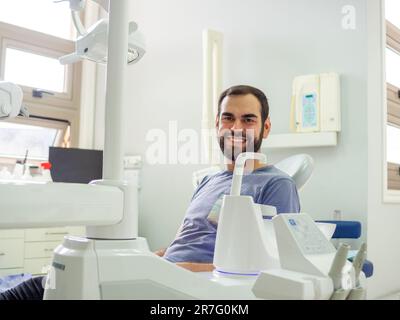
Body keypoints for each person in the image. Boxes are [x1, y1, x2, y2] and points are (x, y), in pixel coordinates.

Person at [0, 85, 300, 300]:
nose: (236, 127)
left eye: (248, 119)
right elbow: (189, 239)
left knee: (71, 283)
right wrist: (153, 257)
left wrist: (182, 269)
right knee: (55, 278)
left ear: (266, 127)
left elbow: (272, 267)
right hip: (165, 271)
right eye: (228, 118)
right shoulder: (208, 181)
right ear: (217, 125)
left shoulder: (275, 185)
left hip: (200, 285)